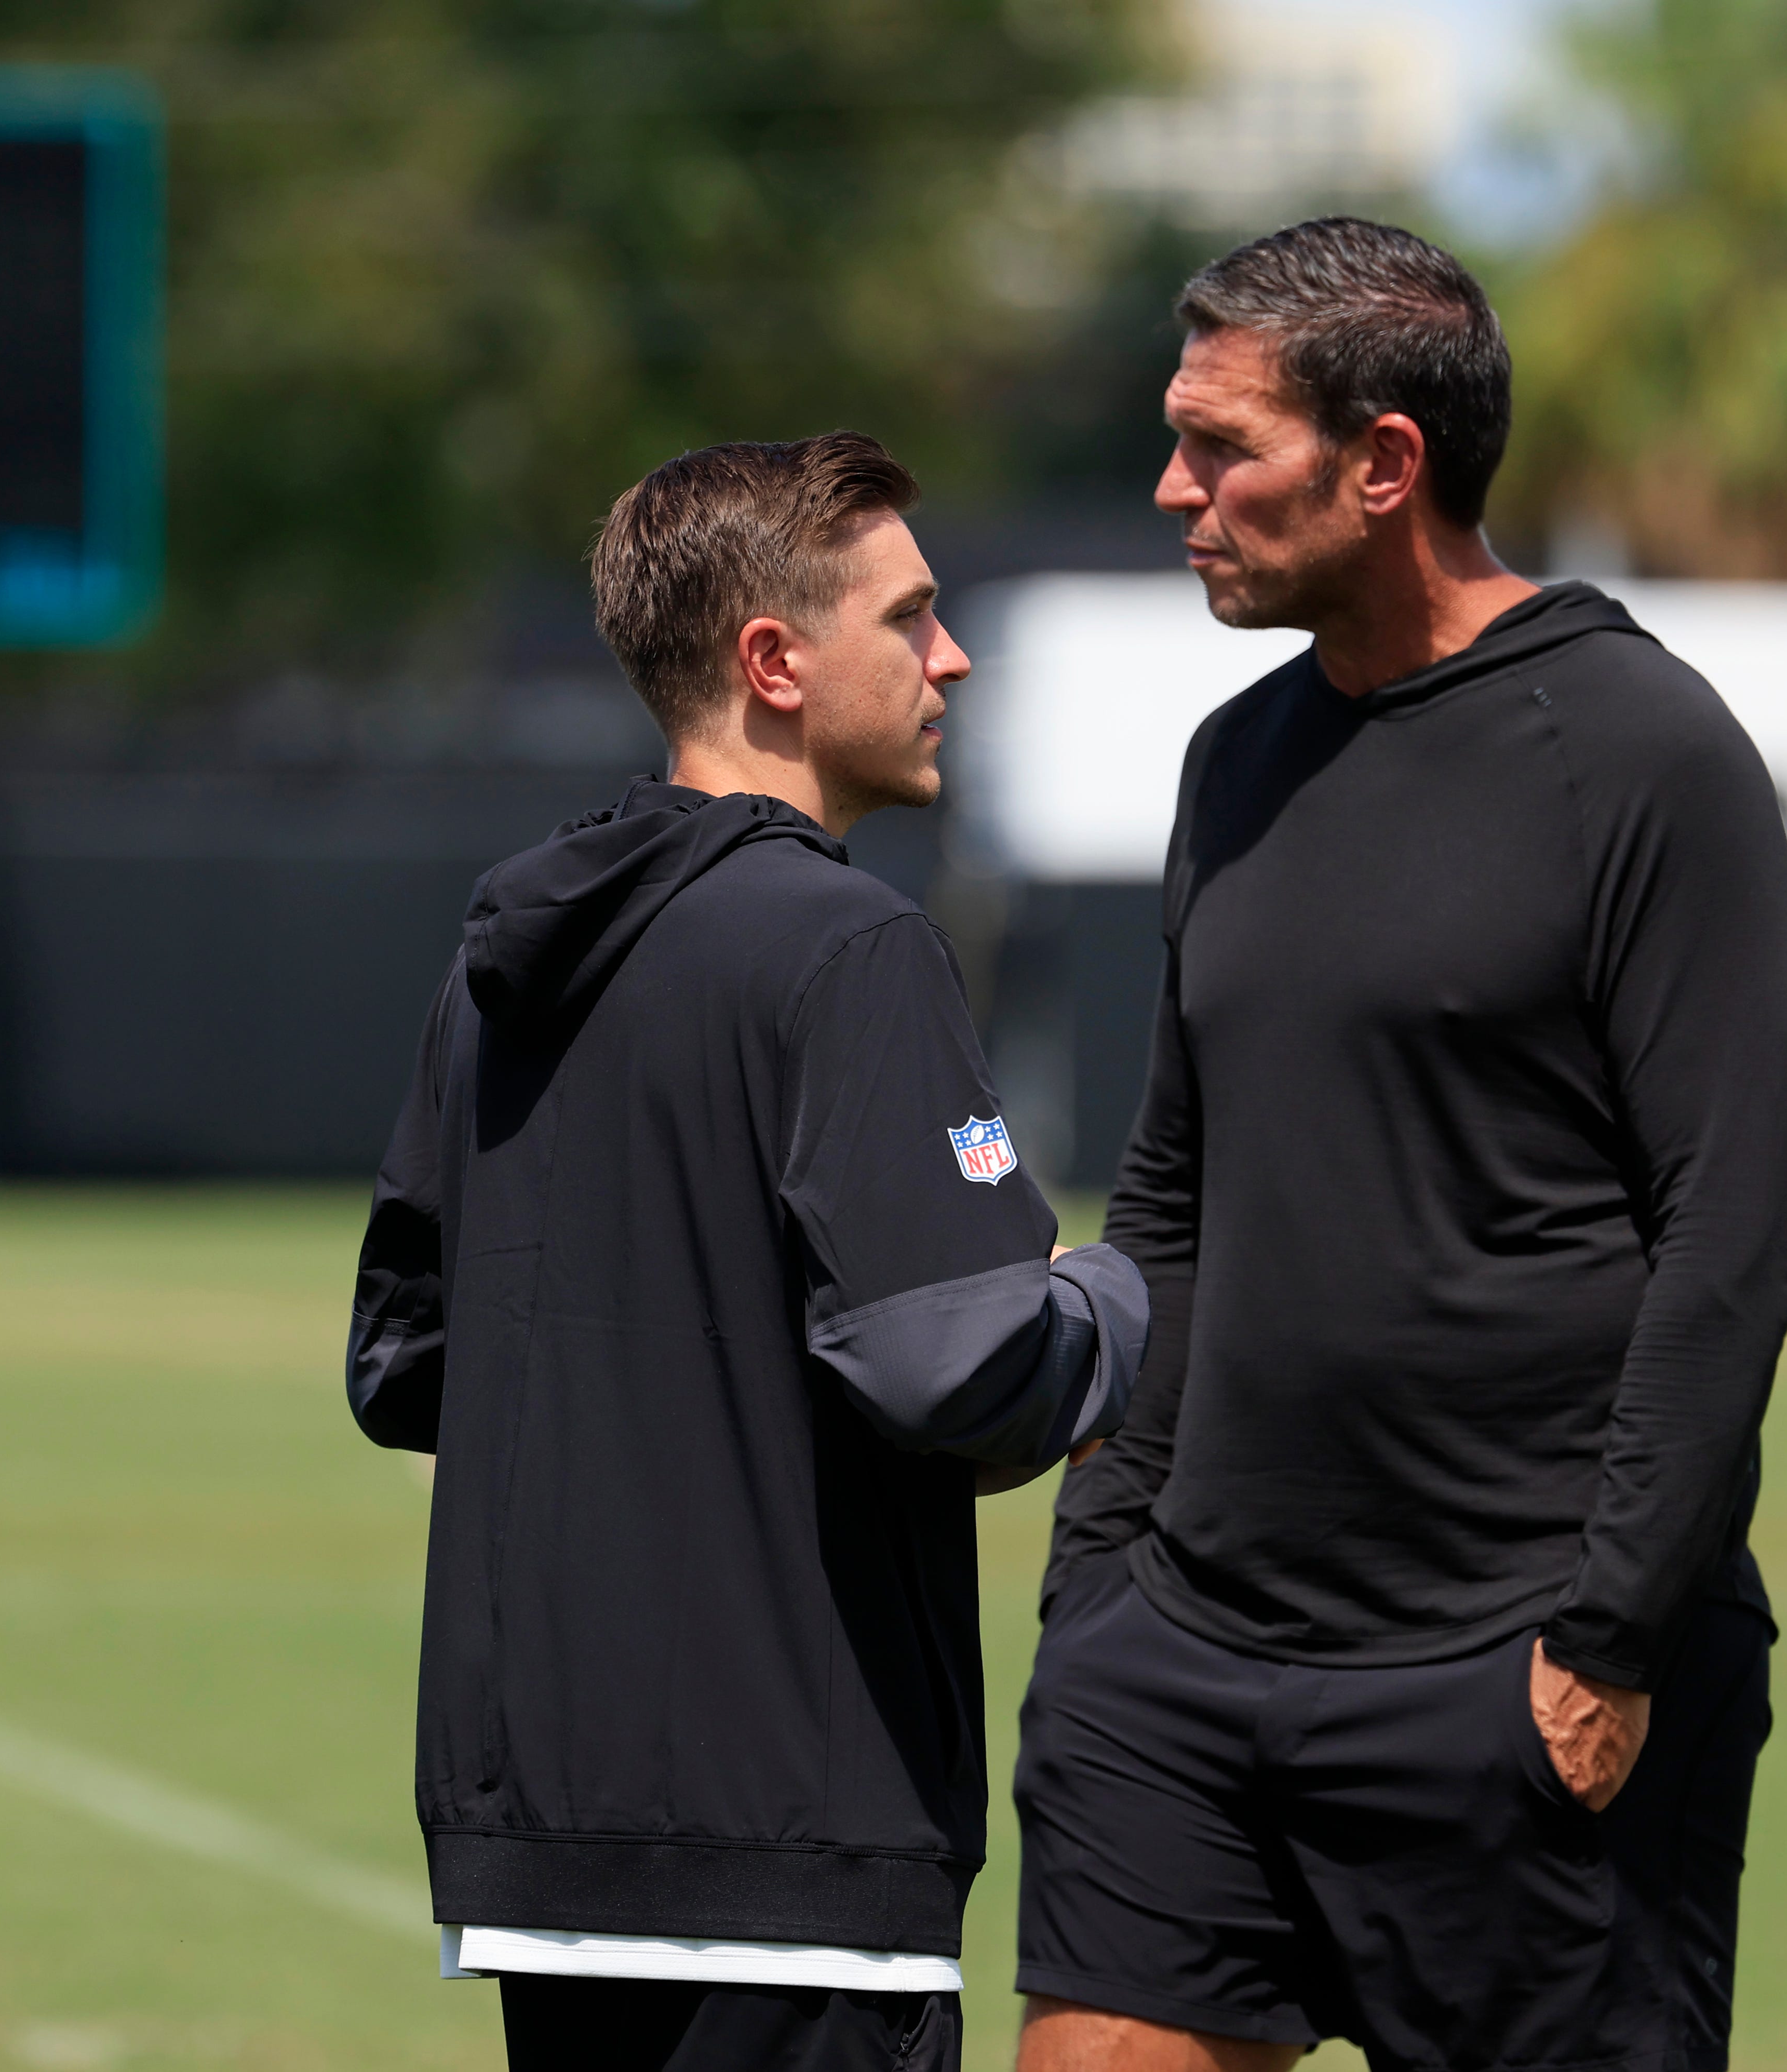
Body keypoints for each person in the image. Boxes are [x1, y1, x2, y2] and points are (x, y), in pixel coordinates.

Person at [1012, 220, 1787, 2072]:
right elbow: (1173, 1197)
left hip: (1522, 1674)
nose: (1174, 489)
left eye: (1223, 448)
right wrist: (1100, 1586)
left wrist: (1610, 1634)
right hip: (1184, 1667)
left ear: (1385, 466)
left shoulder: (1642, 751)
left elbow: (1733, 1227)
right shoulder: (1234, 760)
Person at [350, 432, 1146, 2072]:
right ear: (774, 662)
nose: (953, 654)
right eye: (912, 617)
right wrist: (1130, 1297)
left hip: (542, 1851)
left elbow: (408, 1368)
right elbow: (969, 1372)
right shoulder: (849, 943)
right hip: (795, 1851)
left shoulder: (504, 957)